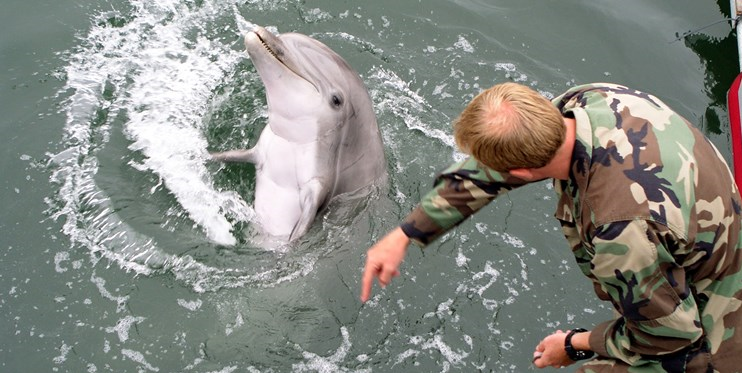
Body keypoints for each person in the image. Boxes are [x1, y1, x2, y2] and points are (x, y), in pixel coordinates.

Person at [360, 82, 742, 372]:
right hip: (705, 234)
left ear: (523, 174)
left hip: (717, 323)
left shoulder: (617, 229)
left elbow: (670, 336)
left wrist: (576, 344)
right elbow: (496, 166)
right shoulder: (589, 102)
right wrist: (407, 232)